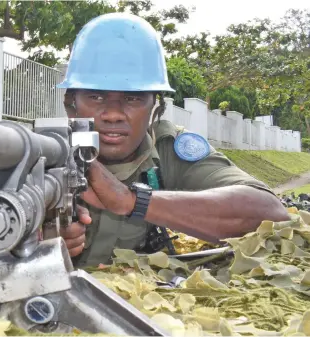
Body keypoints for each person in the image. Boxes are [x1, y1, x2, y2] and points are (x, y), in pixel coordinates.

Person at [56, 13, 288, 267]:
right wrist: (40, 241)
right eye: (96, 97)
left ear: (156, 108)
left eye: (133, 98)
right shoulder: (42, 156)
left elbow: (271, 214)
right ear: (71, 104)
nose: (113, 114)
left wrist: (132, 201)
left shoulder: (170, 149)